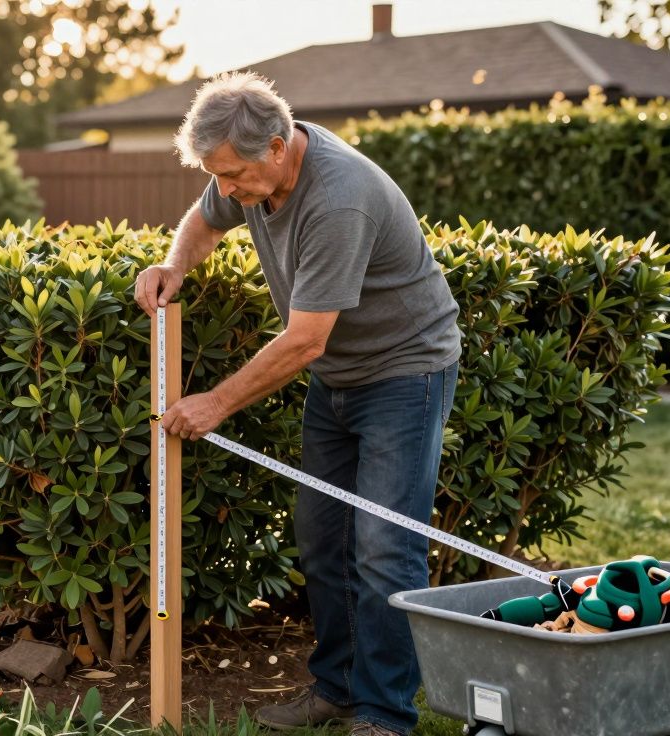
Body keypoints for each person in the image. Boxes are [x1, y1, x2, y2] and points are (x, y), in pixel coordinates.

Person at [134, 72, 461, 736]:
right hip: (340, 377)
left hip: (404, 373)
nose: (227, 188)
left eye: (233, 175)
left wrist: (216, 404)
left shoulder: (340, 197)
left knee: (383, 546)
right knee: (321, 537)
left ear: (278, 146)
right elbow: (204, 219)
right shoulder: (248, 173)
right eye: (216, 174)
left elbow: (306, 340)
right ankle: (336, 689)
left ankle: (384, 712)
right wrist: (175, 265)